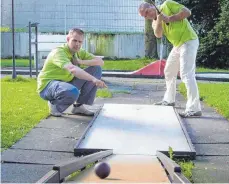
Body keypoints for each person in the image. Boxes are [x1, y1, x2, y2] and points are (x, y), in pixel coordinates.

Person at [138, 0, 202, 118]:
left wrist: (169, 18)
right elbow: (158, 34)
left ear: (152, 6)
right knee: (169, 71)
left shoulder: (167, 5)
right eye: (145, 16)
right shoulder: (154, 22)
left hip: (188, 40)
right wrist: (159, 20)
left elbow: (187, 12)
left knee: (186, 74)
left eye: (147, 12)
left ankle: (194, 108)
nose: (147, 16)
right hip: (177, 45)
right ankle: (169, 100)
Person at [37, 28, 107, 117]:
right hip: (48, 86)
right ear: (68, 39)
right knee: (72, 92)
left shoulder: (78, 52)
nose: (77, 44)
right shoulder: (59, 52)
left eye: (80, 42)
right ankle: (55, 104)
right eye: (74, 40)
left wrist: (80, 62)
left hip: (65, 83)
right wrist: (93, 79)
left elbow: (100, 62)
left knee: (96, 69)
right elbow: (72, 69)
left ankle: (78, 106)